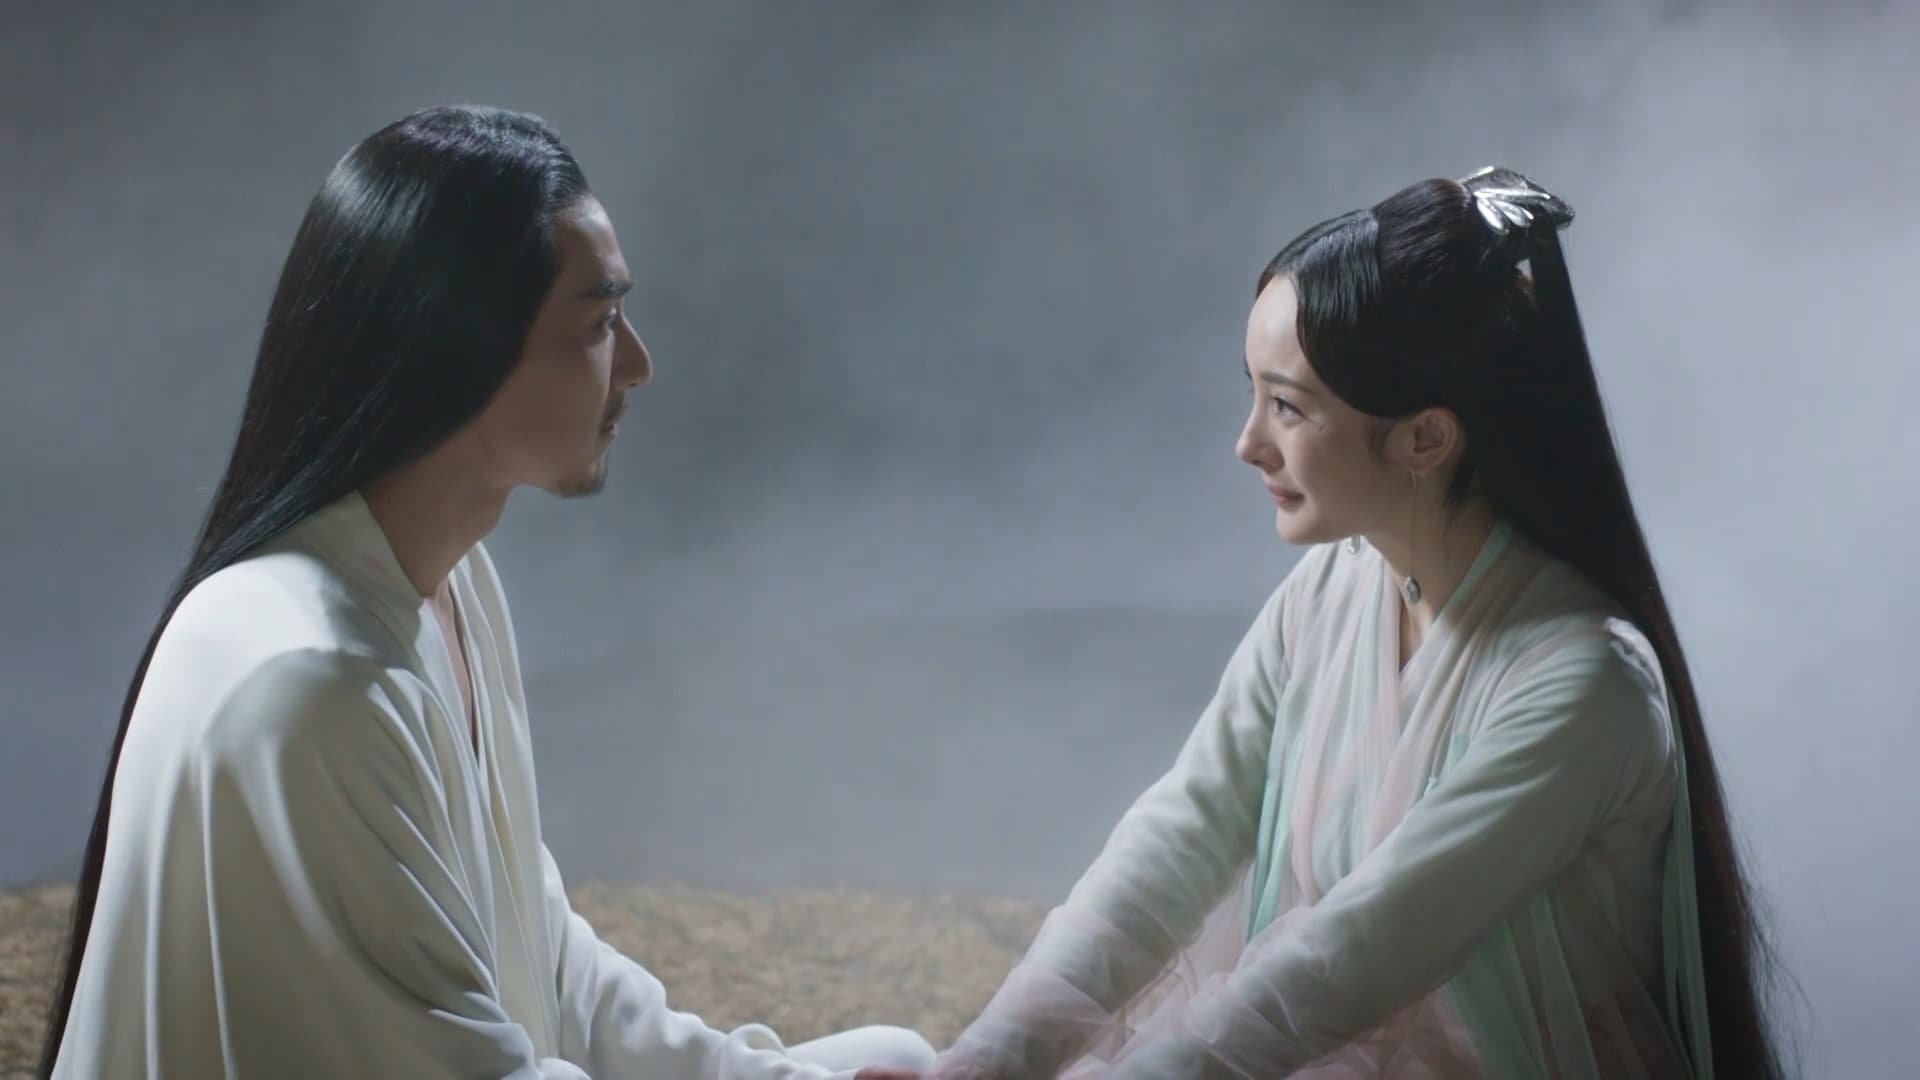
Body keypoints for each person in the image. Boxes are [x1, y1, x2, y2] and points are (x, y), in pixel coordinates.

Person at [39, 105, 936, 1080]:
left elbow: (538, 956)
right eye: (599, 323)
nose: (638, 365)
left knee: (896, 1056)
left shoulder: (453, 583)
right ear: (459, 347)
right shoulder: (314, 687)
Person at [910, 168, 1788, 1078]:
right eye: (1255, 394)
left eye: (1287, 406)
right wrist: (988, 1059)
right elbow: (1184, 832)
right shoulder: (1329, 591)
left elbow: (1359, 949)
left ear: (1425, 438)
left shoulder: (1585, 685)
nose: (1248, 443)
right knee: (895, 1059)